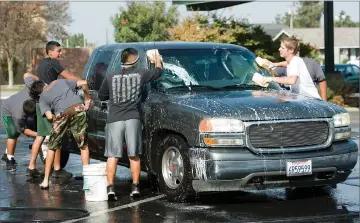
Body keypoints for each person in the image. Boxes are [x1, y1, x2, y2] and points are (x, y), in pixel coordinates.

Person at [98, 48, 163, 200]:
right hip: (133, 118)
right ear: (135, 60)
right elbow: (158, 72)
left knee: (112, 156)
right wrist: (157, 60)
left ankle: (110, 189)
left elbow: (102, 95)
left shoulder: (110, 76)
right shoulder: (141, 74)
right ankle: (135, 189)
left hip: (114, 119)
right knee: (134, 155)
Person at [29, 40, 83, 179]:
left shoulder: (42, 64)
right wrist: (83, 81)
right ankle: (58, 169)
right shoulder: (53, 63)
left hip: (40, 102)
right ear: (50, 51)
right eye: (58, 51)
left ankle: (31, 166)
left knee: (41, 135)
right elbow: (67, 77)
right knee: (57, 135)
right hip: (50, 103)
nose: (60, 54)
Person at [29, 78, 92, 189]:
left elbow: (49, 116)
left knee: (52, 147)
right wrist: (87, 98)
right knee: (83, 145)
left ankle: (45, 181)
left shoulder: (42, 98)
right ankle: (88, 181)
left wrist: (58, 120)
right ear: (44, 83)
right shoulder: (59, 81)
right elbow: (84, 83)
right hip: (78, 108)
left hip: (62, 113)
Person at [1, 73, 38, 174]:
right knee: (13, 134)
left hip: (18, 106)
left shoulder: (33, 87)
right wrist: (39, 135)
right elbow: (22, 129)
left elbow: (26, 74)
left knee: (16, 133)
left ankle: (6, 153)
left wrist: (39, 81)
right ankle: (9, 159)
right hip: (7, 110)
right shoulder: (18, 115)